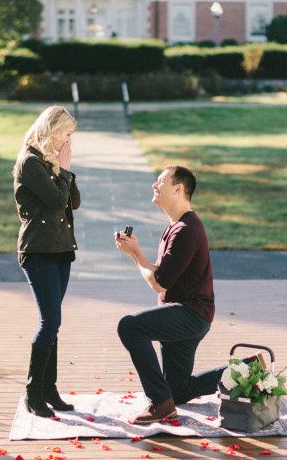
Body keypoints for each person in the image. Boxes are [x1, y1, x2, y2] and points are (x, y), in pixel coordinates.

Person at [115, 165, 221, 424]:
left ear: (178, 188)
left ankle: (160, 404)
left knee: (130, 327)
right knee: (179, 390)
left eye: (160, 181)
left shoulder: (186, 229)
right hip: (188, 315)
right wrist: (136, 253)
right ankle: (244, 369)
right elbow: (161, 275)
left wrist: (135, 254)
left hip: (190, 315)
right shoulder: (175, 227)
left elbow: (159, 283)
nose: (154, 185)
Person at [13, 106, 80, 418]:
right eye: (66, 133)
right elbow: (56, 201)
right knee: (49, 322)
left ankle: (49, 388)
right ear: (52, 131)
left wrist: (64, 169)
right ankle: (32, 392)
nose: (69, 140)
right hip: (38, 252)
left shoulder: (51, 162)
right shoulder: (30, 162)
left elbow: (73, 202)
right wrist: (63, 170)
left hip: (60, 250)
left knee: (53, 323)